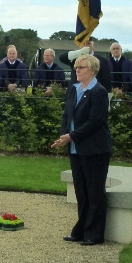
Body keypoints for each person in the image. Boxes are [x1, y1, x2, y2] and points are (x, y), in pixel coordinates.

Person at [51, 54, 112, 245]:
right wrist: (64, 136)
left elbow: (95, 121)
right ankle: (81, 230)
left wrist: (72, 136)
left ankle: (94, 234)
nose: (77, 70)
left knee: (94, 192)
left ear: (92, 70)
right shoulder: (74, 89)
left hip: (95, 149)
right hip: (76, 149)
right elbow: (66, 116)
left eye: (81, 67)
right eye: (76, 67)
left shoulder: (98, 91)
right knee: (81, 192)